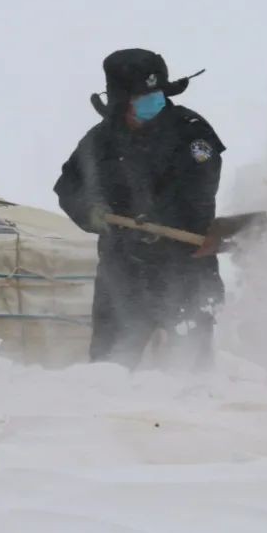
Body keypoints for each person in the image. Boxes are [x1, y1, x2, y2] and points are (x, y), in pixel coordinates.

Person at [54, 48, 225, 370]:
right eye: (143, 96)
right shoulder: (100, 141)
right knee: (110, 366)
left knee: (188, 368)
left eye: (157, 93)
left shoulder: (190, 131)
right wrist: (90, 210)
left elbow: (199, 191)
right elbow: (68, 185)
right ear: (122, 100)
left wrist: (156, 219)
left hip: (184, 269)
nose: (154, 101)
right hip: (122, 274)